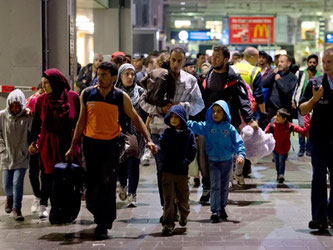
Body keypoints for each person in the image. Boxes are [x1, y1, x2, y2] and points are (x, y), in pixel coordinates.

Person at [65, 61, 157, 240]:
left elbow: (137, 119)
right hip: (90, 145)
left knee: (107, 185)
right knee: (91, 186)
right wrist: (72, 146)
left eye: (104, 75)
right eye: (99, 74)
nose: (100, 78)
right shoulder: (87, 93)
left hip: (111, 146)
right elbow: (81, 121)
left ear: (114, 78)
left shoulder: (120, 97)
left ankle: (103, 223)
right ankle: (97, 212)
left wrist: (149, 140)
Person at [139, 47, 204, 213]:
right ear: (169, 60)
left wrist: (181, 108)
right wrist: (160, 110)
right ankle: (167, 207)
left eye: (179, 60)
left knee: (180, 171)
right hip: (159, 130)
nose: (175, 64)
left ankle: (179, 204)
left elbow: (199, 105)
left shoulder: (190, 80)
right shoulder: (157, 77)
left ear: (184, 61)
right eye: (173, 60)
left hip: (181, 133)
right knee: (162, 170)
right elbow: (143, 102)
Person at [199, 45, 257, 203]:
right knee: (204, 156)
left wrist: (250, 119)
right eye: (213, 56)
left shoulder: (233, 77)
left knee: (224, 157)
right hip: (208, 122)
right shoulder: (206, 76)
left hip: (227, 123)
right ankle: (207, 186)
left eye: (217, 56)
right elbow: (199, 99)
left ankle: (223, 185)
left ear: (226, 59)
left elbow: (243, 99)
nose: (214, 59)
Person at [29, 68, 80, 219]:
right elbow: (37, 123)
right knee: (47, 174)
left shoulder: (72, 97)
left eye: (47, 83)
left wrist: (78, 141)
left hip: (68, 141)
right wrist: (33, 142)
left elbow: (79, 120)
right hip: (48, 143)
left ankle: (67, 206)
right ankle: (45, 204)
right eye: (42, 83)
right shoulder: (42, 100)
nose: (44, 86)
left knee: (67, 175)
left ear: (56, 82)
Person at [187, 100, 245, 223]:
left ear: (225, 113)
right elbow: (194, 126)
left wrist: (241, 154)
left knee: (224, 187)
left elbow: (238, 142)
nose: (215, 114)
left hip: (227, 162)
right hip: (213, 162)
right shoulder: (208, 127)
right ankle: (214, 210)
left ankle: (222, 208)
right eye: (213, 111)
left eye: (219, 111)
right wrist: (183, 119)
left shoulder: (230, 129)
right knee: (214, 186)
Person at [299, 47, 333, 231]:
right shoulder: (315, 83)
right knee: (318, 177)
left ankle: (331, 213)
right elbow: (302, 109)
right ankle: (319, 218)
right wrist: (314, 99)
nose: (326, 66)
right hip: (319, 139)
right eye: (325, 62)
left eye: (330, 62)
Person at [159, 105, 196, 235]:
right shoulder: (166, 133)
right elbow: (161, 147)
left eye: (177, 117)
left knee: (183, 196)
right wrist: (161, 156)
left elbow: (192, 149)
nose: (174, 119)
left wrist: (186, 161)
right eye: (172, 116)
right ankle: (168, 223)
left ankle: (184, 214)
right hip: (168, 170)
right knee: (168, 198)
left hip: (181, 171)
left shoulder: (188, 134)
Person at [115, 63, 146, 207]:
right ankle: (123, 185)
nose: (130, 77)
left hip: (136, 134)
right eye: (126, 74)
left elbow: (145, 113)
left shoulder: (140, 92)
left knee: (134, 163)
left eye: (132, 74)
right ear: (120, 76)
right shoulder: (115, 93)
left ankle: (132, 194)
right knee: (121, 162)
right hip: (118, 133)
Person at [0, 89, 32, 221]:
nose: (15, 108)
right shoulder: (2, 115)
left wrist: (29, 148)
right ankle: (9, 197)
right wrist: (2, 149)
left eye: (18, 105)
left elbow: (32, 133)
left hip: (21, 155)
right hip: (7, 155)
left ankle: (16, 209)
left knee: (17, 183)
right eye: (12, 105)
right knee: (6, 184)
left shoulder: (27, 116)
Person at [265, 108, 309, 183]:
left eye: (279, 116)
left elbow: (301, 131)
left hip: (284, 148)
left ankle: (281, 175)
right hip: (275, 148)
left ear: (284, 119)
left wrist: (307, 124)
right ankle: (278, 173)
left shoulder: (289, 126)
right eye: (276, 115)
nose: (276, 118)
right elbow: (265, 132)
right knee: (276, 162)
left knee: (282, 161)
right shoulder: (272, 125)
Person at [292, 54, 321, 157]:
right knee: (301, 127)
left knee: (311, 127)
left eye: (314, 62)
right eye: (310, 62)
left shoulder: (320, 75)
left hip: (314, 105)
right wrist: (293, 100)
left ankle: (309, 148)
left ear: (317, 63)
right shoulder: (300, 73)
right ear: (307, 63)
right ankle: (301, 148)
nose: (312, 64)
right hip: (302, 104)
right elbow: (295, 87)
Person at [262, 54, 298, 121]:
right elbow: (264, 84)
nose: (279, 64)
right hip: (272, 110)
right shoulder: (274, 73)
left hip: (284, 111)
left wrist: (278, 80)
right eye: (278, 62)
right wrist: (273, 73)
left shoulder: (293, 77)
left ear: (288, 63)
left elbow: (286, 90)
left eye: (282, 62)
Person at [26, 83, 44, 213]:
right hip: (34, 140)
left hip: (47, 140)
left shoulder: (51, 100)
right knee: (33, 171)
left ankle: (44, 199)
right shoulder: (33, 100)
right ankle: (37, 196)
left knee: (46, 172)